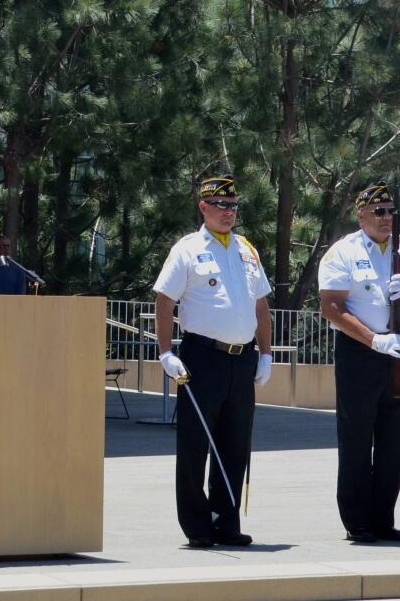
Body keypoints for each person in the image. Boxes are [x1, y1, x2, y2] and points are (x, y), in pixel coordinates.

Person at [153, 174, 273, 549]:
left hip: (241, 359)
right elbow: (164, 300)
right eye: (221, 205)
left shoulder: (247, 249)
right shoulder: (187, 248)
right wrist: (165, 351)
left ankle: (227, 521)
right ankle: (197, 525)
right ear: (203, 207)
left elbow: (261, 305)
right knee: (195, 443)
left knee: (236, 443)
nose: (228, 212)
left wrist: (266, 353)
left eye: (234, 205)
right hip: (202, 356)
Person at [318, 180, 400, 544]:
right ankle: (357, 520)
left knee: (394, 437)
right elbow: (331, 308)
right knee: (356, 434)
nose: (387, 218)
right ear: (361, 215)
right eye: (379, 212)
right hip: (362, 352)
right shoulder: (343, 252)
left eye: (391, 212)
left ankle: (382, 516)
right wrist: (374, 339)